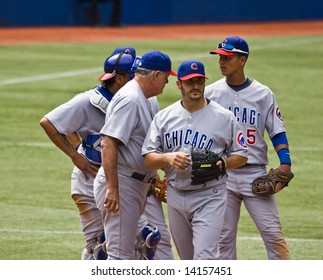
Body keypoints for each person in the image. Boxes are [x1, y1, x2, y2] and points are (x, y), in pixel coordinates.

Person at [142, 60, 248, 259]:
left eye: (200, 81)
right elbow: (149, 158)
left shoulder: (224, 117)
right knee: (187, 258)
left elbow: (242, 155)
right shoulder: (164, 117)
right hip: (175, 193)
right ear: (179, 84)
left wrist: (224, 163)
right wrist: (167, 157)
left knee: (205, 256)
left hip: (210, 194)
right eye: (190, 82)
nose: (196, 86)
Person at [39, 46, 137, 260]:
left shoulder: (134, 101)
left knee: (135, 241)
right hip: (88, 181)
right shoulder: (87, 101)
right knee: (98, 247)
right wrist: (76, 155)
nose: (138, 78)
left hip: (121, 181)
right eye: (133, 74)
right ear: (119, 78)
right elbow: (49, 123)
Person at [204, 36, 293, 260]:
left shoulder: (263, 94)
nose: (222, 62)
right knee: (223, 240)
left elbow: (277, 131)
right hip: (222, 174)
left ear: (242, 60)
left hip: (254, 174)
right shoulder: (211, 93)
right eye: (220, 57)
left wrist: (285, 162)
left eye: (228, 57)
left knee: (273, 235)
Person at [98, 50, 177, 260]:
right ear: (156, 75)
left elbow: (147, 144)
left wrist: (155, 176)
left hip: (137, 185)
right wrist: (112, 189)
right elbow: (108, 143)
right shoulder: (130, 99)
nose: (167, 82)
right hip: (123, 185)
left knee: (133, 255)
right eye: (167, 77)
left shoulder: (148, 98)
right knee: (120, 257)